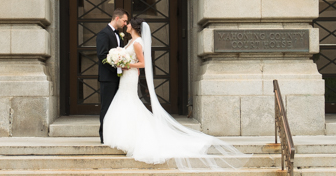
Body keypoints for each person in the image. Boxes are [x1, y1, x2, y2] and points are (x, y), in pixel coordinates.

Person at [102, 17, 249, 168]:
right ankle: (127, 135)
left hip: (130, 75)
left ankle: (131, 137)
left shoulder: (138, 42)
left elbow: (143, 63)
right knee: (125, 101)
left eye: (128, 23)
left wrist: (127, 64)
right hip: (126, 76)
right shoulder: (131, 41)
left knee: (129, 101)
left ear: (134, 26)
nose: (126, 25)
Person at [96, 8, 128, 144]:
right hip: (108, 78)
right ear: (117, 18)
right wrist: (116, 67)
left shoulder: (119, 35)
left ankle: (114, 135)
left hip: (118, 78)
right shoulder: (103, 34)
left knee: (116, 108)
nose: (125, 24)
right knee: (107, 107)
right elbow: (102, 56)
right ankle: (104, 136)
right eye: (124, 21)